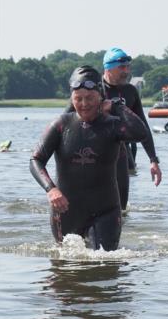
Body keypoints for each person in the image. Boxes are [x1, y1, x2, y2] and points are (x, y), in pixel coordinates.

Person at [31, 66, 148, 250]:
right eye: (78, 99)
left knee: (105, 264)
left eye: (90, 98)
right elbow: (35, 160)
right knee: (65, 270)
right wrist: (51, 189)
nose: (84, 104)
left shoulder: (113, 126)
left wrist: (117, 106)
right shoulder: (61, 125)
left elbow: (141, 133)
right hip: (66, 211)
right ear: (71, 98)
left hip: (106, 210)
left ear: (100, 97)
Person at [100, 47, 162, 211]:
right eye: (121, 67)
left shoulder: (130, 91)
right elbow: (68, 122)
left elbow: (143, 126)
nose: (126, 71)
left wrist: (153, 160)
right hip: (95, 153)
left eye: (128, 67)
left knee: (122, 207)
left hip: (120, 151)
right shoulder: (94, 91)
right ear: (108, 68)